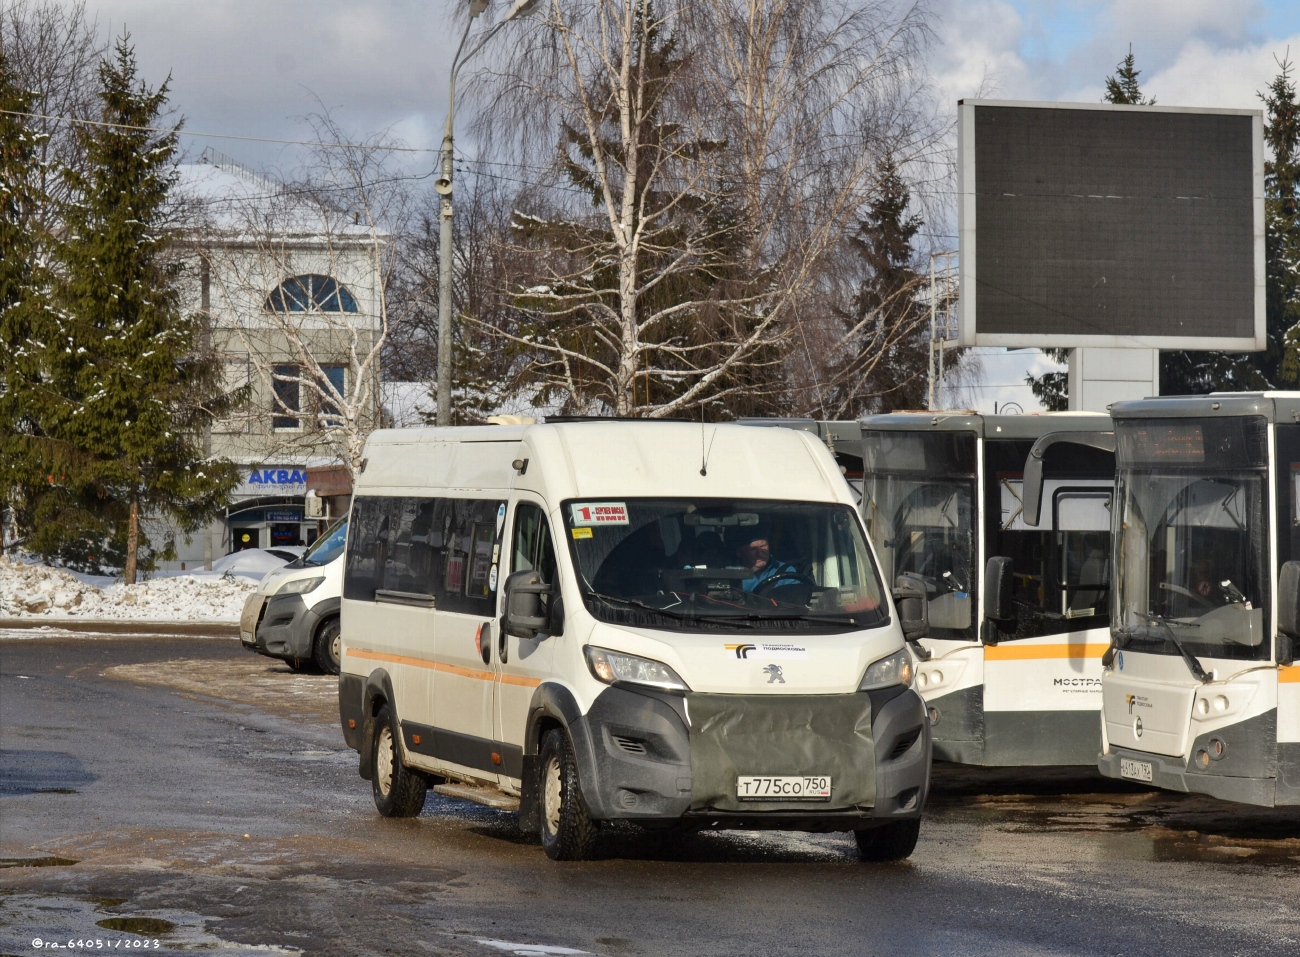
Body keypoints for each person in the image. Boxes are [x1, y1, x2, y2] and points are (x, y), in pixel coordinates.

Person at [736, 527, 803, 594]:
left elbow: (793, 600)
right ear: (740, 553)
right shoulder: (731, 574)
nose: (760, 553)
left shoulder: (787, 571)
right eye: (753, 549)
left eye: (763, 546)